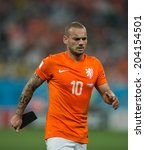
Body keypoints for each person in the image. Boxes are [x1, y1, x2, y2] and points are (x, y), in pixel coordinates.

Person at [10, 21, 119, 150]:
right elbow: (30, 86)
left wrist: (111, 97)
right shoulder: (52, 62)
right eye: (76, 39)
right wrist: (18, 114)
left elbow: (105, 92)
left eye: (84, 39)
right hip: (58, 134)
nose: (81, 42)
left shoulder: (95, 64)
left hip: (81, 136)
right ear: (65, 39)